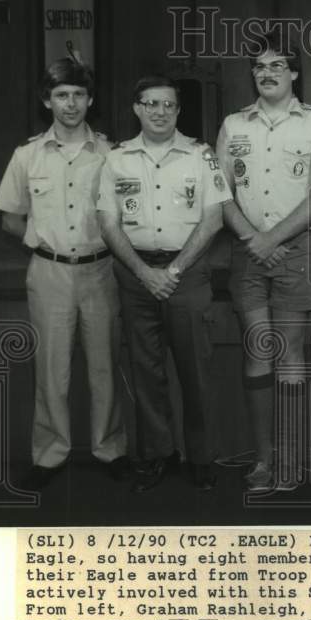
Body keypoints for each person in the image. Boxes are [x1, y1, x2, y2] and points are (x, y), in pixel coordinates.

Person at [0, 57, 129, 491]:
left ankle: (110, 450)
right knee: (51, 368)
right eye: (61, 96)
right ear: (46, 101)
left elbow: (126, 217)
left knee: (105, 366)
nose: (70, 104)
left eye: (78, 95)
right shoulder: (26, 155)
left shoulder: (113, 154)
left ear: (91, 100)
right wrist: (42, 243)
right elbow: (10, 219)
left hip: (101, 269)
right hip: (49, 272)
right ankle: (49, 456)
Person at [216, 31, 311, 491]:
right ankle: (263, 461)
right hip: (249, 253)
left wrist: (274, 238)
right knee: (258, 350)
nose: (267, 73)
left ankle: (289, 460)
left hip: (295, 253)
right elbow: (220, 192)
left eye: (277, 66)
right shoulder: (234, 125)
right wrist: (256, 239)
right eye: (260, 66)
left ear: (293, 73)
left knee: (289, 354)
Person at [97, 74, 232, 492]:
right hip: (135, 274)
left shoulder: (201, 155)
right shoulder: (116, 159)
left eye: (168, 105)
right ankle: (157, 454)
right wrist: (143, 272)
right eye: (150, 104)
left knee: (196, 370)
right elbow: (107, 222)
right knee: (145, 371)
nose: (159, 112)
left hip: (186, 274)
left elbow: (213, 219)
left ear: (178, 110)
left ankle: (201, 458)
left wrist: (171, 272)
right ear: (136, 108)